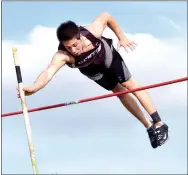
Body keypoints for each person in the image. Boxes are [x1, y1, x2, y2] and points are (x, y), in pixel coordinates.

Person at [17, 12, 168, 148]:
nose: (73, 50)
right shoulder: (63, 55)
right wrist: (33, 88)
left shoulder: (92, 31)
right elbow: (48, 72)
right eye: (68, 47)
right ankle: (149, 126)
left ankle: (159, 123)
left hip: (107, 57)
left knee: (129, 84)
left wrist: (122, 37)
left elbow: (107, 16)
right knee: (119, 92)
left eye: (75, 45)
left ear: (79, 37)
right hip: (92, 69)